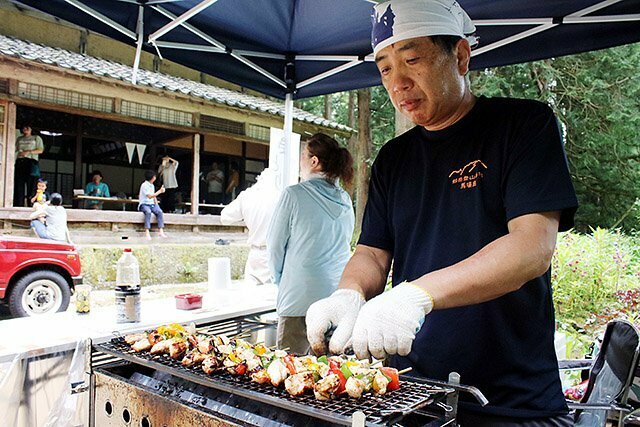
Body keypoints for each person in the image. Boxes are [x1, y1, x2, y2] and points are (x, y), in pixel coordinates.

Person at [305, 1, 579, 425]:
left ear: (460, 56)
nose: (398, 83)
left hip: (511, 398)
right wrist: (350, 293)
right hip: (415, 391)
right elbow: (373, 252)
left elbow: (531, 248)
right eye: (385, 69)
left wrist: (417, 295)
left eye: (412, 59)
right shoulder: (394, 159)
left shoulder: (523, 125)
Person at [268, 133, 355, 355]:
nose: (300, 162)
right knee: (327, 373)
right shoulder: (345, 200)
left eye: (302, 157)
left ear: (314, 161)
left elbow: (275, 245)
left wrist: (279, 280)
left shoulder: (294, 194)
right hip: (334, 296)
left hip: (298, 295)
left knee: (290, 370)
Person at [220, 168, 281, 286]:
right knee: (273, 298)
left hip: (254, 253)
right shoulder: (281, 197)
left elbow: (225, 217)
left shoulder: (247, 195)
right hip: (274, 254)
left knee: (252, 296)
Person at [14, 124, 44, 207]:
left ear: (31, 128)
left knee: (32, 184)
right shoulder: (19, 139)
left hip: (31, 162)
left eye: (27, 127)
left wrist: (28, 152)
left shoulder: (36, 138)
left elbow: (40, 150)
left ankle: (31, 204)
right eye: (23, 127)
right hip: (20, 161)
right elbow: (15, 149)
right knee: (19, 184)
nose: (25, 129)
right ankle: (18, 204)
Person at [138, 170, 167, 240]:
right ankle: (147, 232)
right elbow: (150, 196)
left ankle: (161, 230)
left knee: (159, 212)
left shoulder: (152, 186)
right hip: (144, 204)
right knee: (148, 212)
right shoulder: (144, 185)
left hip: (151, 204)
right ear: (153, 177)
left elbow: (154, 197)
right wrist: (160, 191)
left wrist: (157, 205)